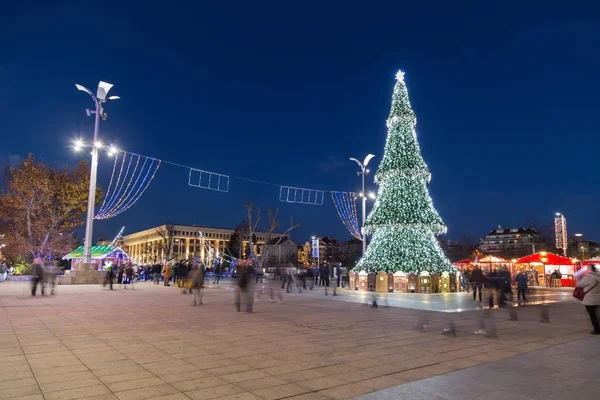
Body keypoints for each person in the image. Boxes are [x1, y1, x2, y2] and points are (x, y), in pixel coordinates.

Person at [576, 264, 600, 335]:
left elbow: (579, 285)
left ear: (590, 269)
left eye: (587, 268)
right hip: (598, 299)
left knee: (593, 315)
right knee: (598, 314)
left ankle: (597, 329)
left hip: (590, 300)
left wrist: (579, 277)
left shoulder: (588, 277)